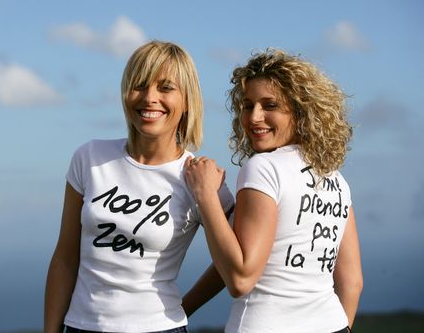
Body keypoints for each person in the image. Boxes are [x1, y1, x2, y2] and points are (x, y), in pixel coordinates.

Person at [44, 40, 234, 333]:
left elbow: (233, 266)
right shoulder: (89, 157)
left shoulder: (201, 178)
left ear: (187, 100)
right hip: (81, 326)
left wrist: (184, 307)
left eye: (166, 88)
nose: (149, 98)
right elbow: (65, 258)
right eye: (140, 85)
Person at [183, 49, 363, 333]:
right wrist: (183, 309)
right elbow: (352, 281)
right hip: (334, 325)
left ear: (301, 111)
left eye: (270, 105)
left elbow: (241, 278)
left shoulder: (264, 168)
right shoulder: (336, 180)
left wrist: (205, 195)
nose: (255, 117)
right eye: (247, 105)